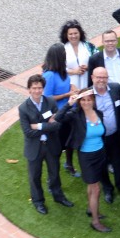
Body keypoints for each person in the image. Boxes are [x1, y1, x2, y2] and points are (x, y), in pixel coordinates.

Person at [55, 90, 110, 231]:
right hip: (86, 156)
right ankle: (95, 221)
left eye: (89, 99)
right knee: (96, 188)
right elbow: (58, 118)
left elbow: (102, 133)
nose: (86, 102)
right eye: (83, 100)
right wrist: (69, 104)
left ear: (93, 100)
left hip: (100, 153)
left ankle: (91, 209)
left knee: (93, 185)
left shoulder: (99, 114)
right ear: (79, 101)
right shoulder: (75, 115)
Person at [19, 74, 72, 215]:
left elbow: (57, 125)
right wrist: (46, 126)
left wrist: (38, 126)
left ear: (43, 88)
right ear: (29, 89)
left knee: (54, 173)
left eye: (40, 88)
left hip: (51, 145)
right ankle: (38, 202)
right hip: (34, 148)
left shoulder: (50, 102)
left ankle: (58, 197)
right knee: (35, 176)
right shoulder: (23, 108)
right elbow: (28, 132)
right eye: (34, 88)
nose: (37, 91)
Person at [90, 66, 120, 199]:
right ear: (92, 78)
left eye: (104, 77)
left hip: (116, 134)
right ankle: (107, 189)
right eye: (98, 77)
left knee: (119, 161)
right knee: (102, 164)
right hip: (99, 138)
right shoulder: (87, 95)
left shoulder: (115, 88)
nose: (101, 80)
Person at [42, 43, 76, 176]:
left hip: (69, 112)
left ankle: (69, 163)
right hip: (58, 115)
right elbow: (47, 98)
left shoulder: (62, 71)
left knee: (70, 141)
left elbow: (67, 82)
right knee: (56, 147)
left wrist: (72, 88)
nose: (65, 56)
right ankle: (52, 178)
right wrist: (67, 94)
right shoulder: (49, 75)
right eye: (63, 54)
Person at [88, 30, 120, 99]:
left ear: (117, 41)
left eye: (113, 40)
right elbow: (91, 82)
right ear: (102, 42)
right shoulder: (95, 59)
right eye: (107, 41)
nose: (110, 43)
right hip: (109, 102)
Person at [59, 19, 95, 92]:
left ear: (80, 33)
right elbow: (57, 69)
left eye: (76, 33)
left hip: (89, 85)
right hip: (70, 88)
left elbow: (99, 61)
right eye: (70, 34)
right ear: (66, 35)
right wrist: (74, 71)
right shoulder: (61, 49)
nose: (73, 36)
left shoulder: (89, 46)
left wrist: (89, 67)